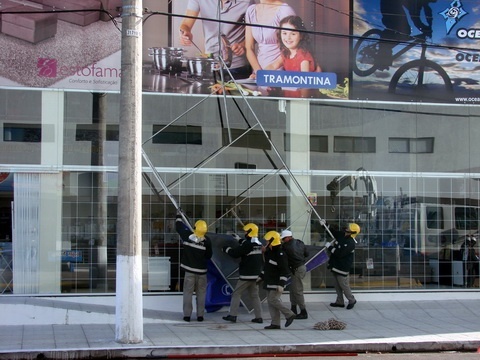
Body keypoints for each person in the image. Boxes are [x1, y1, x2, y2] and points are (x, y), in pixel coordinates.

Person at [179, 0, 254, 80]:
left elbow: (257, 32)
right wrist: (185, 32)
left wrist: (243, 44)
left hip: (238, 67)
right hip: (210, 65)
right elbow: (186, 24)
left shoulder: (247, 2)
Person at [221, 223, 264, 323]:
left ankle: (232, 315)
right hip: (255, 275)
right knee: (255, 296)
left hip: (246, 275)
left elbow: (235, 254)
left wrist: (226, 249)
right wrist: (238, 239)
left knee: (236, 293)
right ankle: (259, 317)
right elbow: (246, 245)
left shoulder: (248, 245)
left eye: (246, 231)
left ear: (249, 232)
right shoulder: (258, 244)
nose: (244, 232)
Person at [378, 0, 437, 68]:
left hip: (396, 5)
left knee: (405, 31)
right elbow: (415, 17)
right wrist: (424, 28)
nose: (429, 3)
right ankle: (382, 52)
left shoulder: (424, 3)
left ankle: (386, 49)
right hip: (389, 3)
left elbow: (428, 14)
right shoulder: (416, 2)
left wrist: (429, 27)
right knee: (396, 26)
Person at [175, 214, 213, 322]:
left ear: (195, 228)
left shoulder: (187, 236)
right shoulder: (207, 241)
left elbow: (179, 227)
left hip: (189, 271)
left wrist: (178, 217)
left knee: (188, 293)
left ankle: (187, 315)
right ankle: (200, 316)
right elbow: (209, 256)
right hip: (202, 272)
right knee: (201, 294)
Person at [245, 0, 296, 78]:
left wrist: (273, 67)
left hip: (280, 70)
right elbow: (249, 48)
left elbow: (294, 46)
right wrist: (258, 72)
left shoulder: (285, 10)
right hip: (258, 71)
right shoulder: (251, 10)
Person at [257, 230, 296, 329]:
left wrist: (281, 284)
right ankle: (275, 323)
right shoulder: (270, 252)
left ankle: (289, 314)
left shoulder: (280, 253)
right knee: (270, 302)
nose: (266, 243)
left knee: (273, 300)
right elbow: (267, 267)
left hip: (276, 282)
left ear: (272, 241)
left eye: (267, 241)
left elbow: (285, 270)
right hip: (269, 281)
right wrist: (261, 277)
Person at [325, 223, 360, 310]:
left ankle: (352, 300)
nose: (346, 227)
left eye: (348, 227)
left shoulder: (351, 243)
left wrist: (330, 248)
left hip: (342, 267)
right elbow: (332, 232)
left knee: (344, 285)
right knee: (337, 285)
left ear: (352, 231)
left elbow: (340, 254)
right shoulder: (342, 235)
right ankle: (340, 301)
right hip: (335, 265)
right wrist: (325, 224)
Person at [280, 229, 309, 319]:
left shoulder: (286, 247)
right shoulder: (300, 242)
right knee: (293, 289)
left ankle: (303, 311)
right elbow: (307, 253)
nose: (283, 240)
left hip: (296, 269)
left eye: (284, 239)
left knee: (297, 290)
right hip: (300, 267)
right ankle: (293, 309)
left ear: (288, 238)